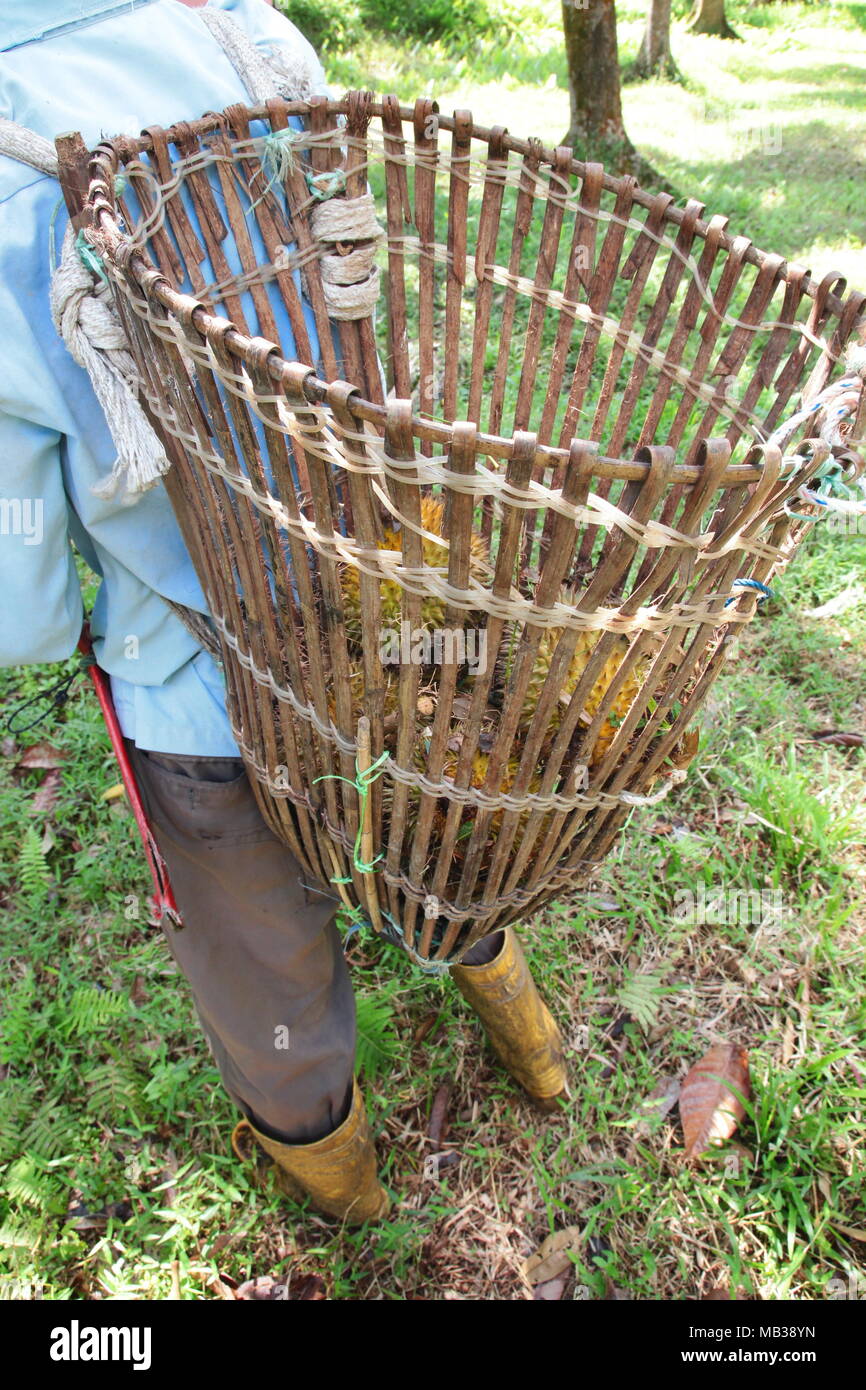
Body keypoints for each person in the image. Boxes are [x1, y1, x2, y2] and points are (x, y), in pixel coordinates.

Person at [0, 0, 567, 1226]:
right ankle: (523, 1027)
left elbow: (24, 602)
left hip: (196, 685)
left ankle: (345, 1185)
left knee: (265, 960)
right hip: (388, 621)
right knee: (441, 828)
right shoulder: (241, 27)